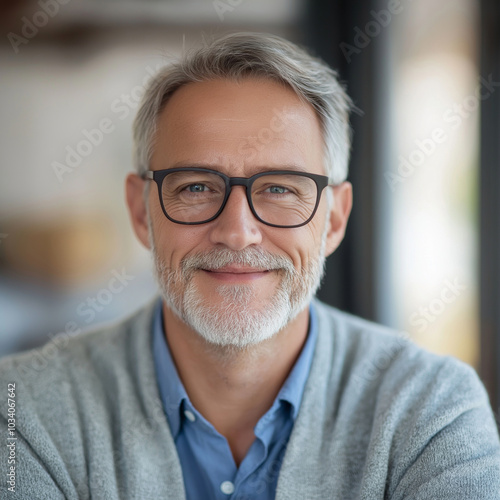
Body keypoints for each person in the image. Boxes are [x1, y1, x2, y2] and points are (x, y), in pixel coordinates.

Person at [1, 32, 499, 500]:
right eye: (196, 186)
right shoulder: (22, 407)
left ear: (334, 219)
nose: (237, 232)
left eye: (280, 188)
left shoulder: (433, 408)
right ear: (140, 212)